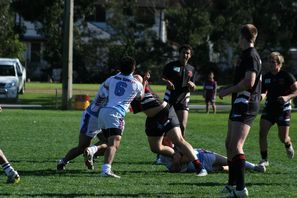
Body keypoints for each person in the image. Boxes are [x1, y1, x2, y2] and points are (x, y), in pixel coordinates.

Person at [130, 73, 207, 176]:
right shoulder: (126, 88)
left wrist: (144, 81)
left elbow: (140, 95)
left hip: (164, 113)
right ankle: (174, 154)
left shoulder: (138, 81)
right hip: (152, 119)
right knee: (155, 148)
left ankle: (199, 167)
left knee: (178, 140)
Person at [219, 24, 262, 198]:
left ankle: (241, 189)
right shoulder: (246, 55)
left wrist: (227, 90)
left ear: (242, 37)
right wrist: (230, 89)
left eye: (238, 37)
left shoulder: (251, 56)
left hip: (247, 103)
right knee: (229, 143)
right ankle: (232, 185)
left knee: (236, 146)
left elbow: (249, 82)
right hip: (239, 101)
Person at [96, 56, 144, 178]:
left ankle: (92, 151)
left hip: (103, 112)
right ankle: (106, 170)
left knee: (107, 142)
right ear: (133, 68)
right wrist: (144, 82)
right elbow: (140, 97)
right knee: (114, 144)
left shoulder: (112, 79)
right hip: (116, 114)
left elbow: (104, 88)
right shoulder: (136, 84)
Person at [57, 82, 109, 171]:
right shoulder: (115, 85)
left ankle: (91, 153)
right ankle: (63, 161)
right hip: (93, 118)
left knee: (109, 143)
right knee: (82, 147)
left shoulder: (113, 81)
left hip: (103, 118)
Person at [258, 52, 297, 167]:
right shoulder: (266, 77)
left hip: (283, 109)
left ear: (279, 64)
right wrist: (260, 97)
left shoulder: (287, 76)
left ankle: (288, 144)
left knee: (283, 137)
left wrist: (287, 97)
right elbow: (264, 92)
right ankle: (264, 159)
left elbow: (296, 91)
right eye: (269, 62)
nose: (270, 64)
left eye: (273, 62)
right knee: (262, 133)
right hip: (269, 108)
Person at [162, 44, 196, 136]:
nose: (185, 55)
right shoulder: (171, 66)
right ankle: (169, 147)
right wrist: (167, 82)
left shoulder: (192, 69)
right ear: (179, 54)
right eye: (183, 53)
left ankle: (181, 148)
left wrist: (192, 86)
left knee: (182, 126)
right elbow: (163, 78)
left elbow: (193, 87)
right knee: (168, 126)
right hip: (170, 99)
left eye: (187, 53)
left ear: (190, 55)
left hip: (183, 100)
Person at [159, 148, 266, 173]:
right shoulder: (163, 156)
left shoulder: (176, 146)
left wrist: (178, 160)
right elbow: (175, 169)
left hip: (202, 157)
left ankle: (255, 167)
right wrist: (177, 161)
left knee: (230, 161)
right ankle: (254, 167)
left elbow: (188, 156)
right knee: (226, 165)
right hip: (204, 163)